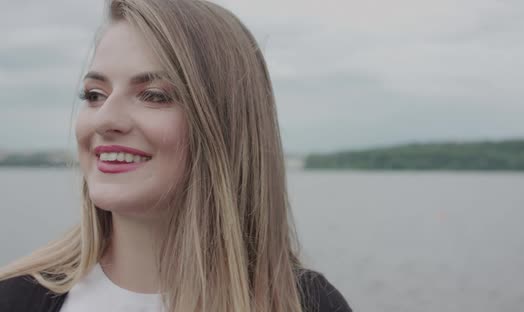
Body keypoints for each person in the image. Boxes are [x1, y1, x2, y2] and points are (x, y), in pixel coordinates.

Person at [0, 1, 352, 311]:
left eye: (153, 95)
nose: (105, 119)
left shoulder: (311, 306)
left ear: (226, 126)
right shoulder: (13, 299)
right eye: (94, 94)